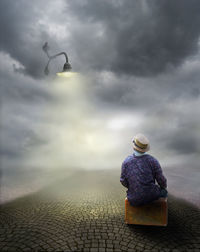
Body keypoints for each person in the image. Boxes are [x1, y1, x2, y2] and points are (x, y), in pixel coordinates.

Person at [120, 133, 167, 206]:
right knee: (164, 192)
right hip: (152, 195)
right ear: (145, 149)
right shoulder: (153, 161)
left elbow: (123, 181)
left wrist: (134, 187)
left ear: (134, 147)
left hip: (133, 198)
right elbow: (161, 180)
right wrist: (163, 187)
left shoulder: (126, 162)